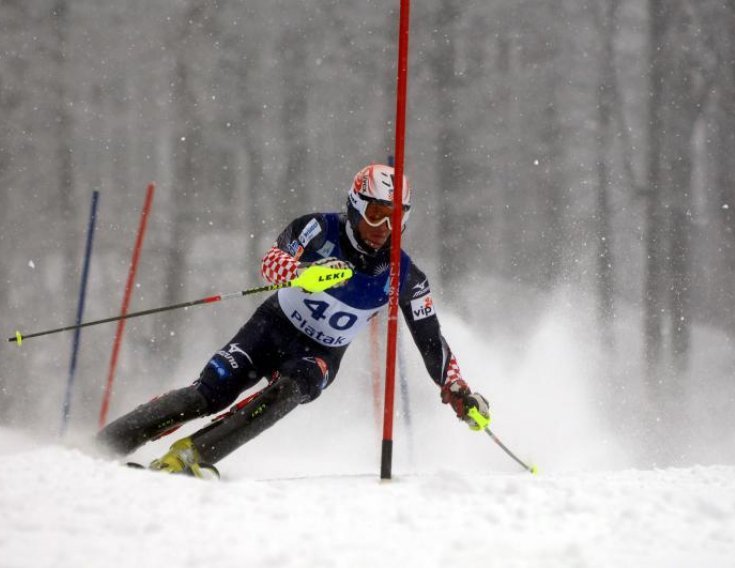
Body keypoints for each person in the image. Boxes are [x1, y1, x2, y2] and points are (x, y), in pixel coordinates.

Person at [96, 164, 490, 476]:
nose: (384, 229)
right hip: (270, 328)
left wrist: (456, 387)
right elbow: (271, 262)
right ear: (355, 205)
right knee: (210, 392)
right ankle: (105, 446)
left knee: (290, 390)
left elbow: (431, 340)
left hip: (319, 354)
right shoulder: (318, 229)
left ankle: (192, 455)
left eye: (396, 218)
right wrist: (301, 272)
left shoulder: (406, 275)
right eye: (376, 214)